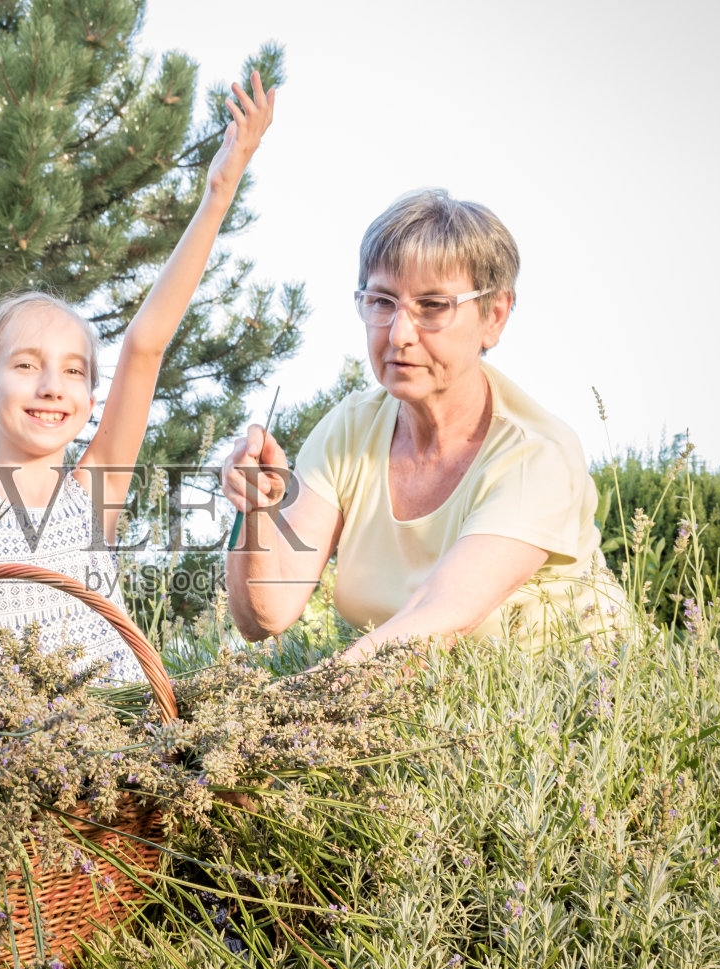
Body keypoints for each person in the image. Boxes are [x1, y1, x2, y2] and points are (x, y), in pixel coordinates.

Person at [0, 73, 277, 681]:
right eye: (26, 365)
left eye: (74, 371)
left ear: (88, 398)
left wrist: (220, 188)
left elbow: (145, 345)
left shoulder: (92, 492)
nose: (53, 385)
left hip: (114, 741)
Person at [221, 188, 626, 662]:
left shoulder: (538, 453)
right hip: (416, 702)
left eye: (433, 306)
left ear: (494, 316)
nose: (398, 334)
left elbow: (440, 614)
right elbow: (264, 617)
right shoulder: (350, 430)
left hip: (570, 706)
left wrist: (308, 704)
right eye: (382, 301)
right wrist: (255, 514)